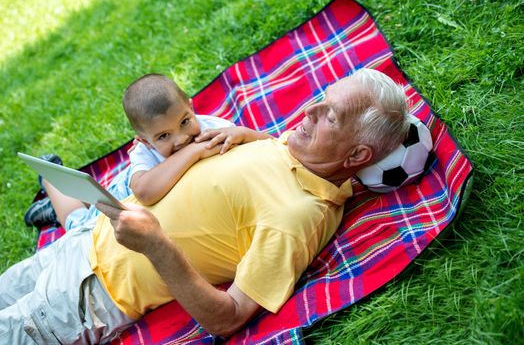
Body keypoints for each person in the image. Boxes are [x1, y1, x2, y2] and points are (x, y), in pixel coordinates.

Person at [0, 68, 410, 344]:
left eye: (330, 117)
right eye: (320, 99)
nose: (308, 110)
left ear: (356, 157)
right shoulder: (286, 144)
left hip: (92, 294)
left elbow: (228, 317)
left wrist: (156, 244)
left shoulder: (299, 215)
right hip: (86, 238)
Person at [24, 73, 272, 230]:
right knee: (78, 221)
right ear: (144, 141)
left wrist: (243, 134)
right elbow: (145, 192)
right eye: (164, 136)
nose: (182, 139)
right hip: (121, 198)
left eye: (185, 121)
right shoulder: (144, 154)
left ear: (191, 106)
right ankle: (52, 182)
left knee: (87, 191)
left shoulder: (212, 128)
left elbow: (270, 144)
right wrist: (194, 152)